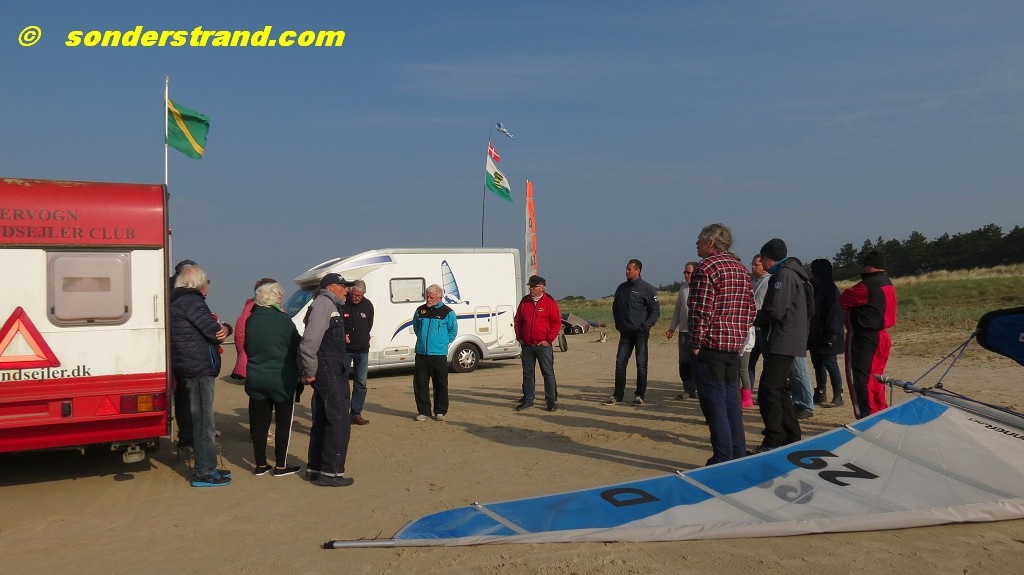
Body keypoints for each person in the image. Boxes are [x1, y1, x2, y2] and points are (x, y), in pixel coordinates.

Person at [687, 224, 756, 465]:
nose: (696, 243)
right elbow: (751, 309)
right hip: (733, 346)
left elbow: (700, 309)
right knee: (731, 404)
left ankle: (723, 457)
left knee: (715, 405)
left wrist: (696, 341)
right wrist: (739, 335)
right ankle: (737, 452)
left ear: (711, 243)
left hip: (712, 345)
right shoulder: (741, 268)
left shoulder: (707, 267)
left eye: (699, 239)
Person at [169, 264, 232, 487]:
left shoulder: (176, 300)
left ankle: (207, 468)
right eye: (207, 282)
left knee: (199, 418)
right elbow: (215, 332)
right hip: (198, 367)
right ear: (198, 283)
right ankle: (205, 471)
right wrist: (226, 327)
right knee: (204, 421)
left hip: (187, 366)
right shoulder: (192, 301)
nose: (208, 287)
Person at [300, 272, 356, 487]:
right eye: (343, 285)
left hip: (330, 368)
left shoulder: (326, 305)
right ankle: (331, 473)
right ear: (331, 287)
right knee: (339, 420)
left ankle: (315, 469)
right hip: (328, 369)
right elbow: (309, 342)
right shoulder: (324, 304)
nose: (346, 289)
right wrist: (309, 370)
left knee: (324, 419)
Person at [752, 238, 808, 452]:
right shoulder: (786, 274)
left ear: (769, 258)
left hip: (783, 340)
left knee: (768, 391)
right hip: (783, 339)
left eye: (762, 259)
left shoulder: (784, 275)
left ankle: (774, 438)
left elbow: (775, 311)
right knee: (779, 389)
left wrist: (749, 316)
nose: (761, 263)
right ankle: (791, 435)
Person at [243, 281, 302, 477]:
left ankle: (260, 464)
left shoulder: (251, 320)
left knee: (260, 424)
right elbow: (296, 346)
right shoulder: (283, 320)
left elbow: (247, 347)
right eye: (279, 294)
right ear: (274, 297)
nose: (281, 297)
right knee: (283, 423)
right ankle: (281, 465)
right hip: (281, 379)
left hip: (256, 377)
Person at [840, 250, 897, 419]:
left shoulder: (868, 284)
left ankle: (865, 417)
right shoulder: (886, 281)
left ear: (872, 267)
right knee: (876, 378)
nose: (862, 268)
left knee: (859, 379)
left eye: (864, 265)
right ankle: (880, 413)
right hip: (881, 336)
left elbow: (845, 298)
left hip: (864, 337)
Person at [603, 259, 660, 406]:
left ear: (637, 271)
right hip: (625, 333)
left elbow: (655, 311)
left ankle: (639, 395)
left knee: (641, 364)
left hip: (640, 333)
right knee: (620, 364)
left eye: (629, 269)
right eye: (626, 269)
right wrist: (618, 324)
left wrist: (645, 326)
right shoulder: (621, 288)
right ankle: (618, 395)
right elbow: (615, 308)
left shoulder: (647, 288)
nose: (626, 271)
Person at [514, 275, 562, 412]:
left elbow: (556, 323)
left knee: (548, 373)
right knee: (528, 374)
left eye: (533, 286)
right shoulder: (525, 302)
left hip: (543, 346)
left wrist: (548, 340)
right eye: (530, 286)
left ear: (542, 287)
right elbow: (518, 321)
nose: (531, 288)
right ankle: (528, 399)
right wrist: (520, 338)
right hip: (527, 345)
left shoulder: (549, 302)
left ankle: (551, 401)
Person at [412, 284, 458, 421]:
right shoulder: (420, 311)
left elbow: (453, 331)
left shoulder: (448, 312)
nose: (429, 299)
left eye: (431, 297)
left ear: (440, 297)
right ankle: (424, 412)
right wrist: (422, 340)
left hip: (438, 354)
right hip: (421, 354)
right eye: (427, 296)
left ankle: (440, 412)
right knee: (420, 384)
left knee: (440, 384)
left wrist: (442, 343)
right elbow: (416, 327)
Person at [809, 259, 845, 408]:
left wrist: (831, 335)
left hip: (829, 334)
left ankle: (838, 395)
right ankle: (820, 392)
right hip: (816, 333)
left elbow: (835, 313)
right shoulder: (814, 287)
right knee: (817, 363)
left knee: (830, 363)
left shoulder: (830, 289)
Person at [231, 277, 278, 380]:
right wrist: (243, 354)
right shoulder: (251, 308)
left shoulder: (277, 308)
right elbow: (240, 333)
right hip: (256, 358)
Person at [342, 280, 374, 426]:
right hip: (345, 350)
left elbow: (369, 325)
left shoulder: (368, 305)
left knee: (361, 383)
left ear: (363, 294)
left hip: (362, 350)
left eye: (359, 295)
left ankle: (356, 413)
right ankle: (342, 413)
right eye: (354, 295)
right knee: (342, 382)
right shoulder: (343, 304)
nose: (356, 297)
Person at [666, 262, 698, 400]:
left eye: (688, 272)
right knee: (684, 362)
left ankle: (699, 388)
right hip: (684, 331)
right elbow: (678, 309)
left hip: (698, 331)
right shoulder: (683, 288)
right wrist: (672, 328)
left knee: (698, 362)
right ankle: (688, 389)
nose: (686, 275)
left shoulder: (702, 287)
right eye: (685, 272)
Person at [747, 254, 770, 389]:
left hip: (764, 328)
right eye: (752, 264)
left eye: (756, 265)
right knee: (749, 362)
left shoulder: (770, 281)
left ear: (763, 265)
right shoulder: (752, 281)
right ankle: (748, 391)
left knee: (769, 362)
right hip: (752, 328)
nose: (753, 267)